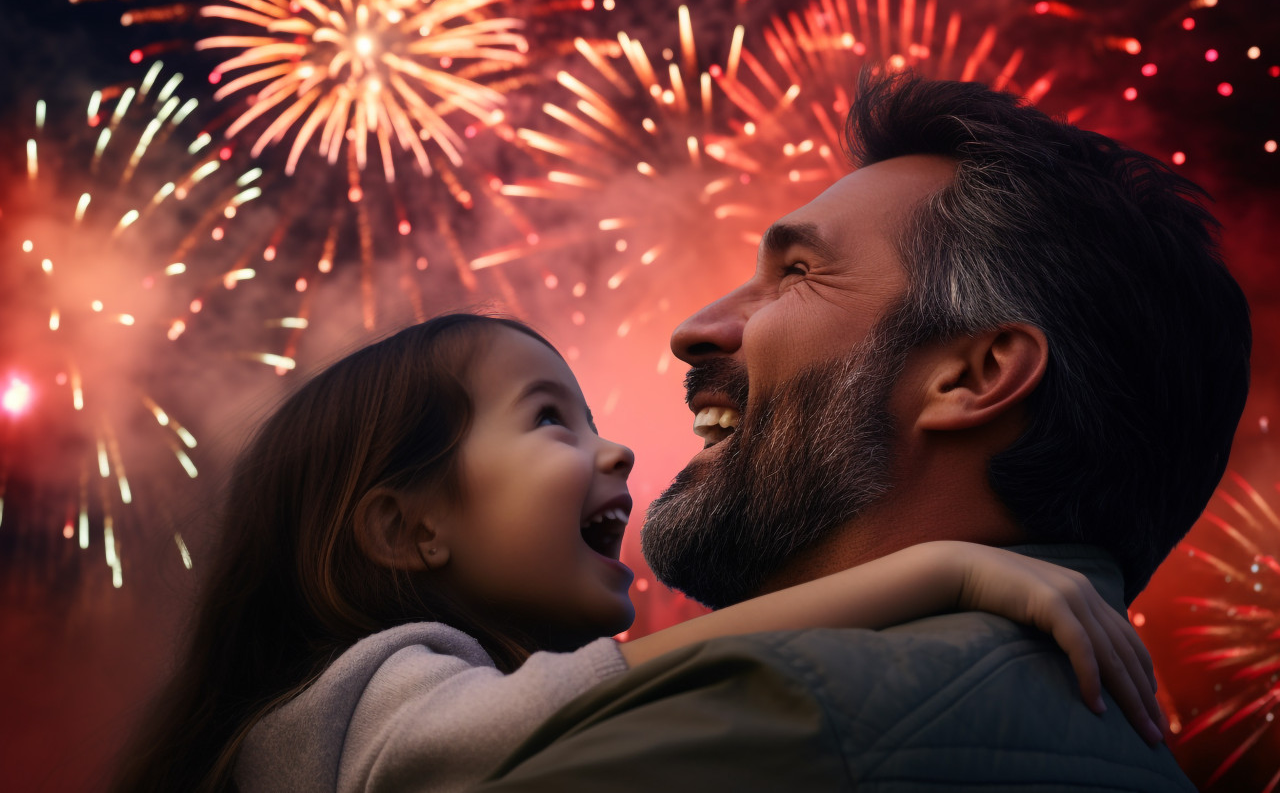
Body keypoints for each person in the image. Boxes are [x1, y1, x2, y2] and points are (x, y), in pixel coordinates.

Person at [470, 71, 1251, 791]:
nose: (694, 330)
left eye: (797, 274)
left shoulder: (769, 720)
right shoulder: (1135, 758)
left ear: (973, 376)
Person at [110, 313, 1160, 793]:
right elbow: (597, 690)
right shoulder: (372, 698)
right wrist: (941, 570)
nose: (613, 448)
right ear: (407, 529)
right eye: (547, 418)